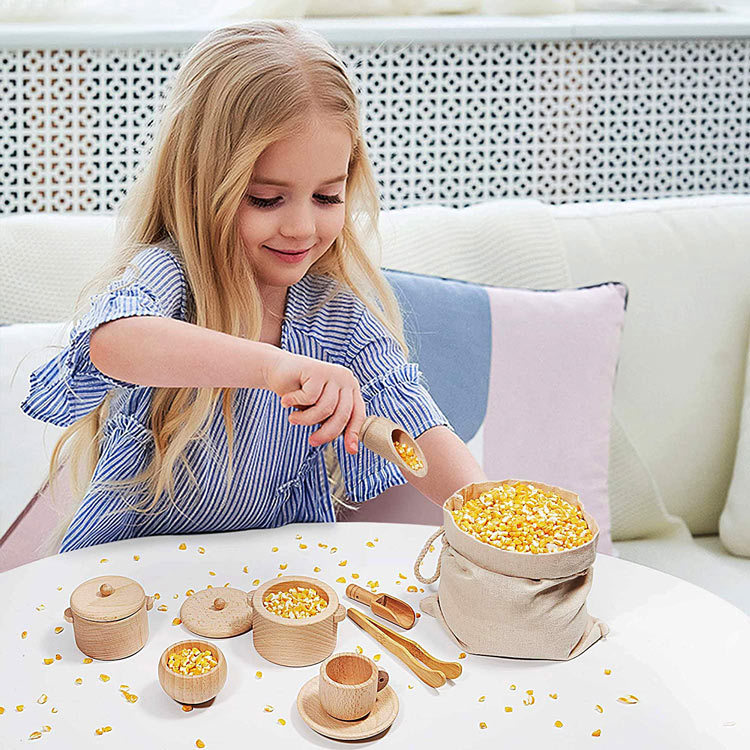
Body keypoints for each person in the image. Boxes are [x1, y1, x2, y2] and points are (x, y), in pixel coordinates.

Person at [21, 20, 486, 554]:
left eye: (327, 197)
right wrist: (272, 367)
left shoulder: (337, 315)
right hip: (129, 570)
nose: (302, 228)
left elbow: (417, 424)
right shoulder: (171, 277)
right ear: (199, 186)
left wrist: (496, 515)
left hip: (271, 571)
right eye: (266, 199)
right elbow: (112, 342)